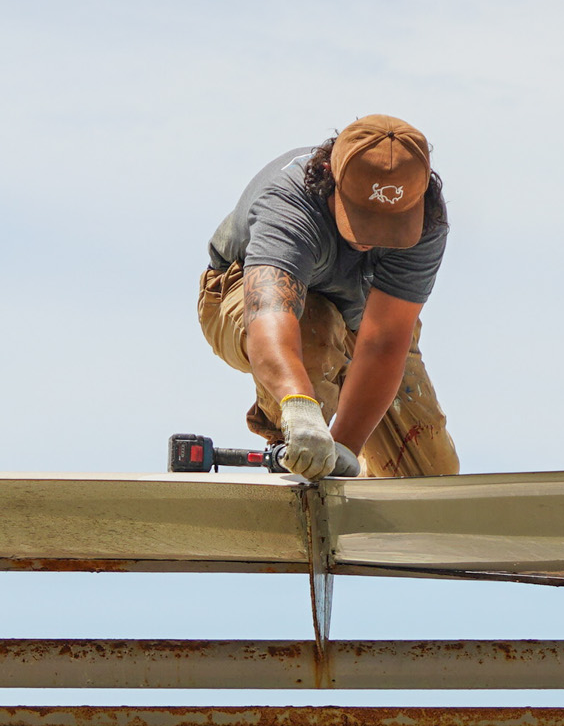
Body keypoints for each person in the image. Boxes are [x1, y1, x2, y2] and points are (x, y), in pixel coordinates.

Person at [196, 114, 458, 482]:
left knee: (427, 475)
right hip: (247, 299)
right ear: (328, 177)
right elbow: (269, 313)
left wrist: (344, 449)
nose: (371, 238)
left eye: (389, 226)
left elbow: (384, 342)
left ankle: (344, 472)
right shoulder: (288, 203)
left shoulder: (427, 215)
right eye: (361, 219)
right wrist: (300, 409)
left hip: (358, 316)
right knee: (316, 330)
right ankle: (292, 445)